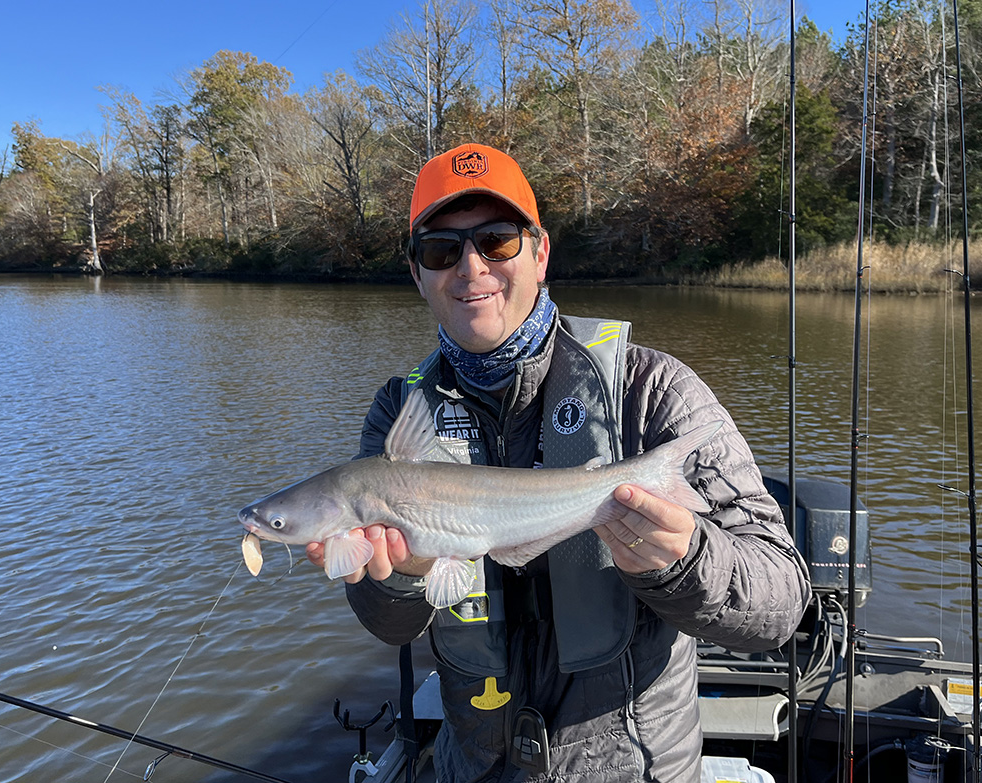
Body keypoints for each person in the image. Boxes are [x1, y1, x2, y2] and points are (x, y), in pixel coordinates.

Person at [307, 142, 812, 782]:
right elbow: (391, 625)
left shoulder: (653, 387)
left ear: (540, 254)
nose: (470, 268)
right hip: (479, 766)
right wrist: (402, 576)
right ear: (417, 273)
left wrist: (684, 562)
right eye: (441, 250)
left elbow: (780, 599)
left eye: (497, 241)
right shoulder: (398, 412)